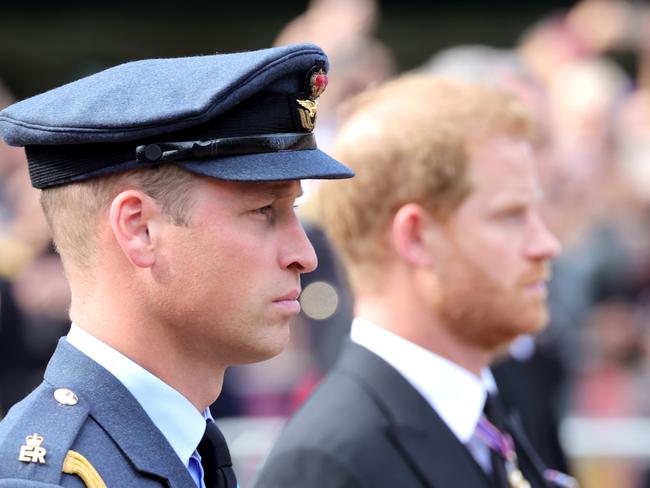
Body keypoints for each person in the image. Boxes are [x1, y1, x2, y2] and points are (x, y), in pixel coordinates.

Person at [0, 43, 353, 487]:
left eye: (294, 211)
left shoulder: (188, 448)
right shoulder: (56, 478)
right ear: (140, 229)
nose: (304, 255)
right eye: (264, 210)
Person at [256, 76, 579, 488]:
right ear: (416, 238)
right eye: (509, 216)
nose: (545, 244)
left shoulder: (488, 414)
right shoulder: (331, 463)